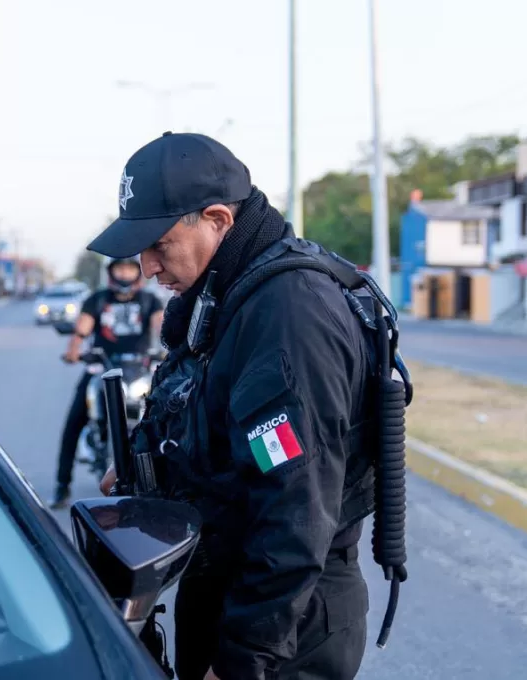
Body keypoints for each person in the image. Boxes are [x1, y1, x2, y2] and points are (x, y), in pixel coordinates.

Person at [89, 132, 384, 680]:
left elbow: (295, 510)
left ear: (218, 219)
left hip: (284, 625)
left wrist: (240, 662)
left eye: (159, 245)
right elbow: (208, 408)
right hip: (228, 590)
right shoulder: (226, 292)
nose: (147, 267)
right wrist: (149, 463)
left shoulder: (287, 313)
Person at [50, 255, 164, 509]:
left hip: (138, 370)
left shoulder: (149, 300)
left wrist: (169, 347)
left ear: (137, 272)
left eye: (129, 269)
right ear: (111, 272)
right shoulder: (98, 299)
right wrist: (74, 350)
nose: (124, 274)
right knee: (74, 422)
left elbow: (162, 327)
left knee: (164, 418)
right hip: (102, 368)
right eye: (119, 269)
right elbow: (81, 330)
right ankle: (61, 487)